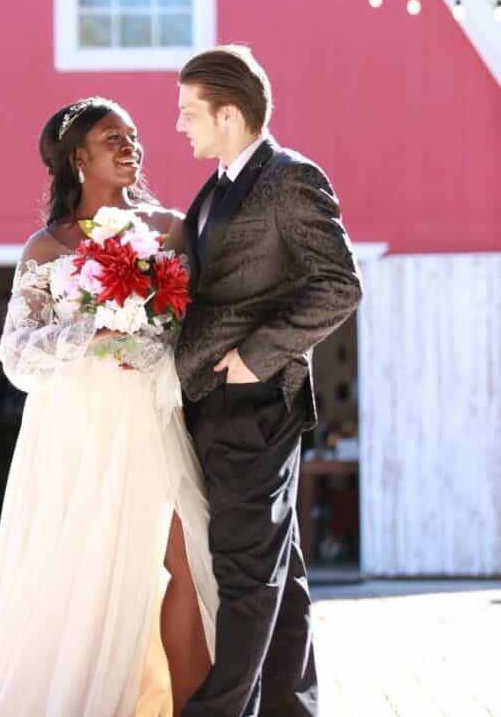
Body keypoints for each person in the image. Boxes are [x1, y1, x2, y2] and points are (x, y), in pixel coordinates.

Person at [0, 97, 217, 717]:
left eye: (134, 135)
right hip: (75, 433)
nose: (132, 145)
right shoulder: (46, 248)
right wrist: (91, 333)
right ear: (79, 157)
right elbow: (16, 355)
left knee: (187, 561)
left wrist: (156, 340)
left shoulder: (171, 229)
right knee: (84, 579)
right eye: (113, 137)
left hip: (151, 419)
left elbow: (195, 323)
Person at [174, 46, 363, 717]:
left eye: (189, 111)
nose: (179, 124)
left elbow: (338, 285)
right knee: (279, 573)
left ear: (229, 114)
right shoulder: (217, 185)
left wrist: (255, 357)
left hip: (254, 399)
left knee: (245, 573)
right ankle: (291, 708)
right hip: (215, 401)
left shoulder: (288, 177)